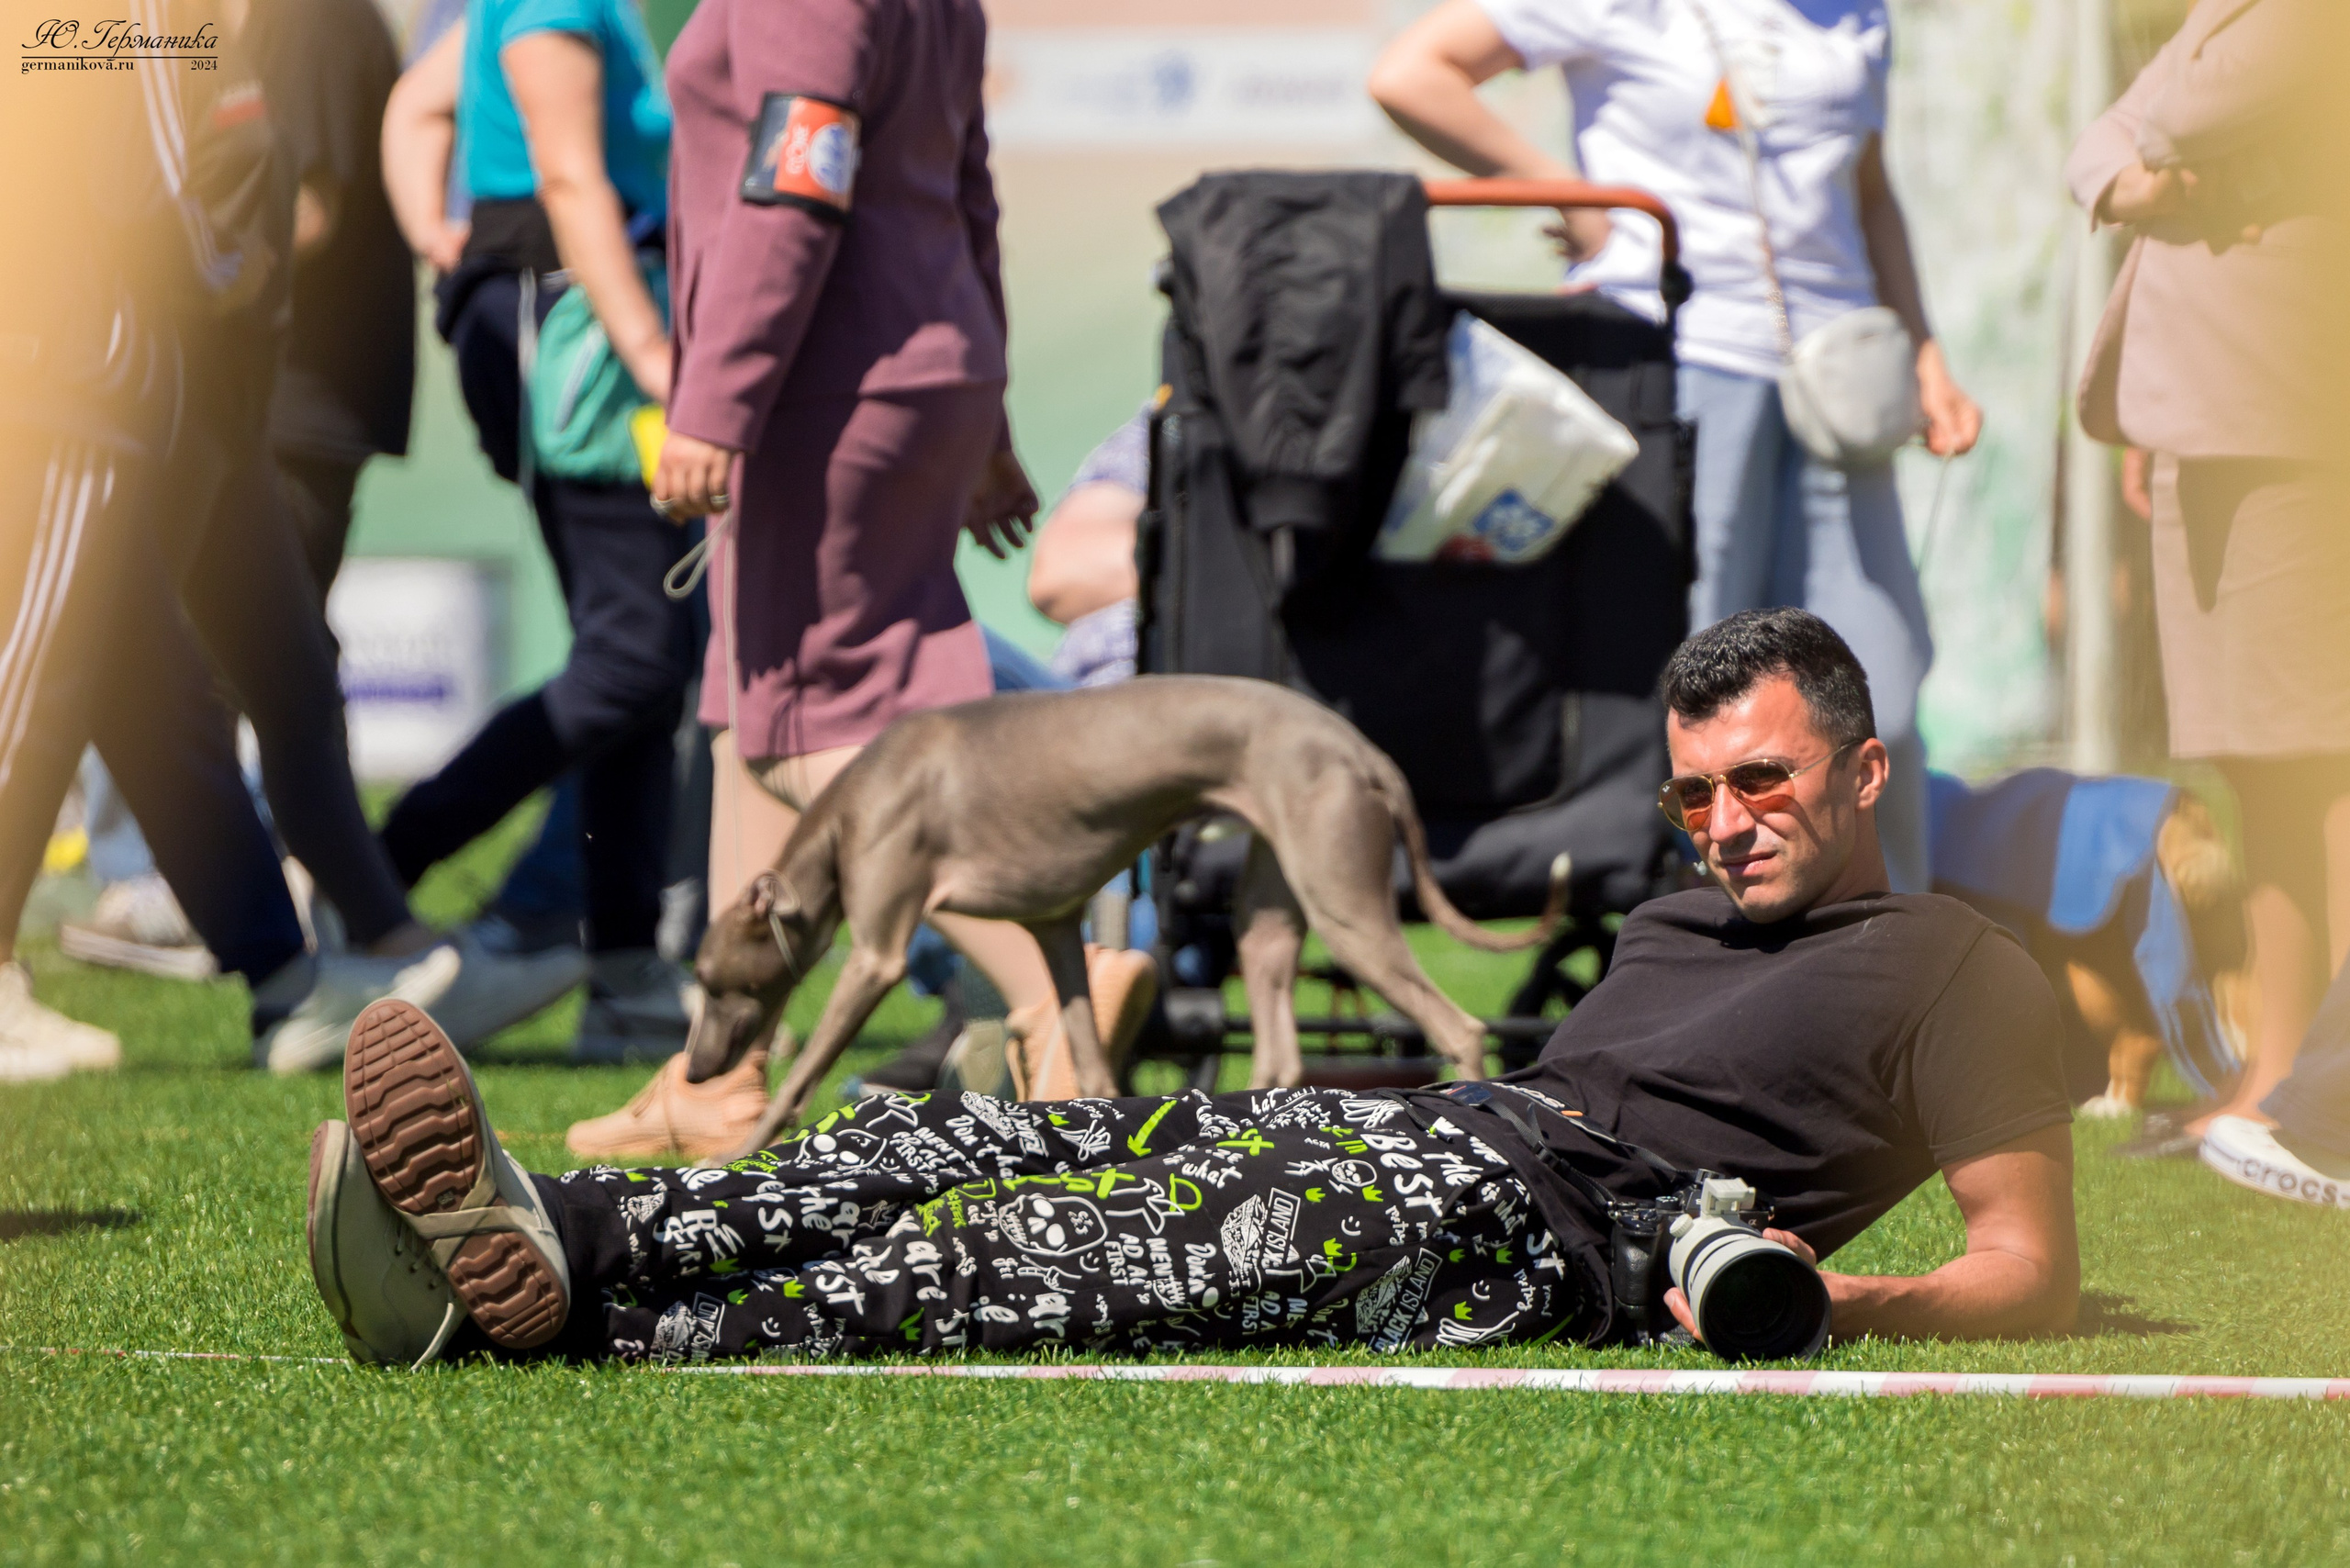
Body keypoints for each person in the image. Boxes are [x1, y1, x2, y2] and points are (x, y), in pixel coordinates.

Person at [305, 608, 2078, 1366]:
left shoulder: (1956, 966)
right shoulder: (1669, 921)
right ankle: (566, 1222)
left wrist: (1845, 1295)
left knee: (1043, 1260)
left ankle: (553, 1315)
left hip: (1551, 1235)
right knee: (946, 1144)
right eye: (1695, 790)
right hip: (1432, 1129)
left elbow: (2032, 1266)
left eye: (1762, 781)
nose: (1724, 822)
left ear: (1861, 771)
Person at [633, 0, 1130, 1109]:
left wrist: (715, 401)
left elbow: (793, 189)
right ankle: (715, 1075)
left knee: (822, 730)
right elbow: (970, 191)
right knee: (754, 705)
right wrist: (986, 412)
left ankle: (1057, 984)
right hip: (915, 362)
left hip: (828, 376)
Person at [1367, 0, 1982, 896]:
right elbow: (1409, 72)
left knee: (1878, 687)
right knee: (1704, 701)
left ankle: (1896, 978)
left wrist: (1924, 352)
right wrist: (1571, 200)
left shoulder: (1858, 13)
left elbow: (1870, 192)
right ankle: (1700, 969)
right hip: (1682, 362)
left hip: (1841, 382)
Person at [377, 0, 701, 1060]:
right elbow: (568, 181)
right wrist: (654, 356)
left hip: (564, 313)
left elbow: (420, 104)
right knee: (634, 653)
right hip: (569, 324)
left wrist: (435, 228)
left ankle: (624, 975)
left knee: (648, 663)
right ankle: (375, 871)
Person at [2067, 0, 2347, 1142]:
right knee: (2264, 765)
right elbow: (2113, 138)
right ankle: (2272, 1076)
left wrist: (2136, 158)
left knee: (2324, 760)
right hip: (2208, 415)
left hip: (2285, 417)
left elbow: (2178, 108)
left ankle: (2327, 1089)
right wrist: (2136, 178)